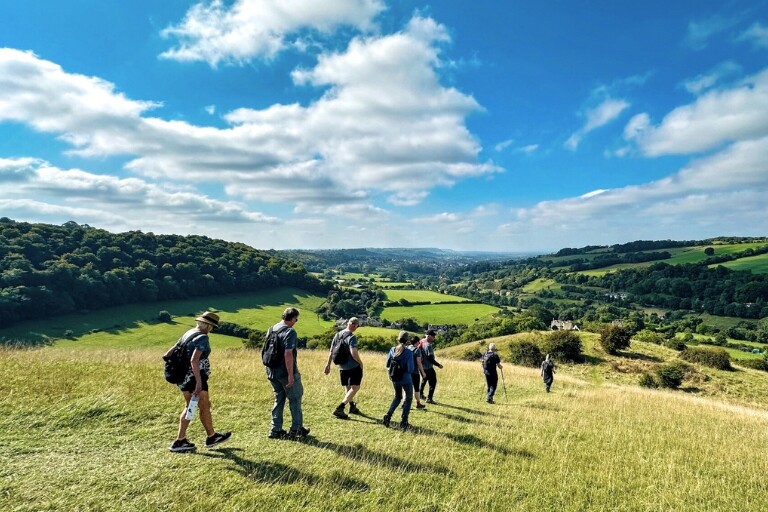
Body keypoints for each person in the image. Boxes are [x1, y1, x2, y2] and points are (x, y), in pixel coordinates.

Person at [167, 311, 231, 452]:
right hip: (195, 378)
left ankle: (210, 436)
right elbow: (194, 360)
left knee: (202, 405)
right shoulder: (202, 338)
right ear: (208, 326)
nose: (212, 329)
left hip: (183, 377)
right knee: (194, 406)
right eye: (212, 326)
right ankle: (180, 441)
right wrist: (199, 382)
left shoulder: (188, 333)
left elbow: (168, 353)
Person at [265, 307, 310, 440]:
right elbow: (288, 353)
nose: (296, 321)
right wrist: (290, 375)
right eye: (296, 319)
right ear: (292, 318)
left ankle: (275, 430)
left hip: (271, 371)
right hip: (285, 372)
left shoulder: (271, 329)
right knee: (295, 399)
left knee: (279, 399)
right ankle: (296, 430)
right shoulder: (290, 332)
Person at [324, 317, 364, 419]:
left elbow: (331, 351)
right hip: (353, 366)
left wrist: (328, 364)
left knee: (348, 387)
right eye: (354, 324)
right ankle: (340, 407)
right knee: (355, 387)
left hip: (341, 366)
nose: (355, 326)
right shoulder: (352, 337)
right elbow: (353, 353)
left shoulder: (337, 335)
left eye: (356, 324)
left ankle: (352, 407)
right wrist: (360, 363)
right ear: (348, 323)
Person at [383, 331, 416, 430]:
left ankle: (388, 415)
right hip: (406, 379)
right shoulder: (408, 353)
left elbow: (387, 364)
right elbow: (410, 369)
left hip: (395, 378)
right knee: (409, 398)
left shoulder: (392, 350)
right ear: (407, 341)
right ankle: (404, 421)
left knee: (397, 397)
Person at [418, 329, 443, 404]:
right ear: (428, 336)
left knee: (424, 379)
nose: (434, 337)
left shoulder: (421, 341)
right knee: (433, 382)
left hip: (421, 366)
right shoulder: (428, 345)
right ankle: (429, 398)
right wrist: (438, 365)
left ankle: (420, 394)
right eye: (433, 336)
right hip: (428, 367)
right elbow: (430, 358)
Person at [407, 335, 427, 409]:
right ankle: (418, 403)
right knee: (416, 388)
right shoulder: (417, 350)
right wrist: (423, 372)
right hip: (415, 372)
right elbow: (419, 363)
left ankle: (404, 403)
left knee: (407, 387)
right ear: (417, 342)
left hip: (407, 371)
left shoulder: (407, 348)